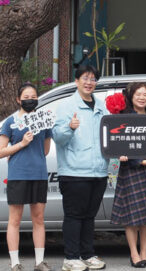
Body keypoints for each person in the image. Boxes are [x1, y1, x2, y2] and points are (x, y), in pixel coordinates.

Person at [53, 65, 108, 271]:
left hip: (98, 170)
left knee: (89, 216)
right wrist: (69, 127)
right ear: (76, 81)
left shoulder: (101, 106)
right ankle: (71, 257)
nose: (89, 82)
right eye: (85, 78)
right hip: (74, 171)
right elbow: (58, 137)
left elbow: (111, 136)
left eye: (93, 79)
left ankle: (87, 254)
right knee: (74, 216)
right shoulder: (67, 106)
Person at [109, 82, 146, 268]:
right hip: (132, 171)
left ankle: (144, 252)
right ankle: (134, 253)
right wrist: (138, 161)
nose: (142, 98)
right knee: (131, 216)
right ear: (131, 97)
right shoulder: (123, 117)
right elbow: (117, 145)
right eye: (138, 94)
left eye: (145, 95)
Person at [0, 84, 52, 271]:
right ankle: (15, 262)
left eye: (34, 97)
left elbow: (46, 150)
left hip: (39, 174)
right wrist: (22, 144)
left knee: (38, 218)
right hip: (18, 175)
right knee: (15, 219)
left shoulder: (44, 120)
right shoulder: (10, 122)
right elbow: (1, 151)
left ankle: (39, 262)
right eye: (26, 97)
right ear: (18, 100)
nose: (30, 100)